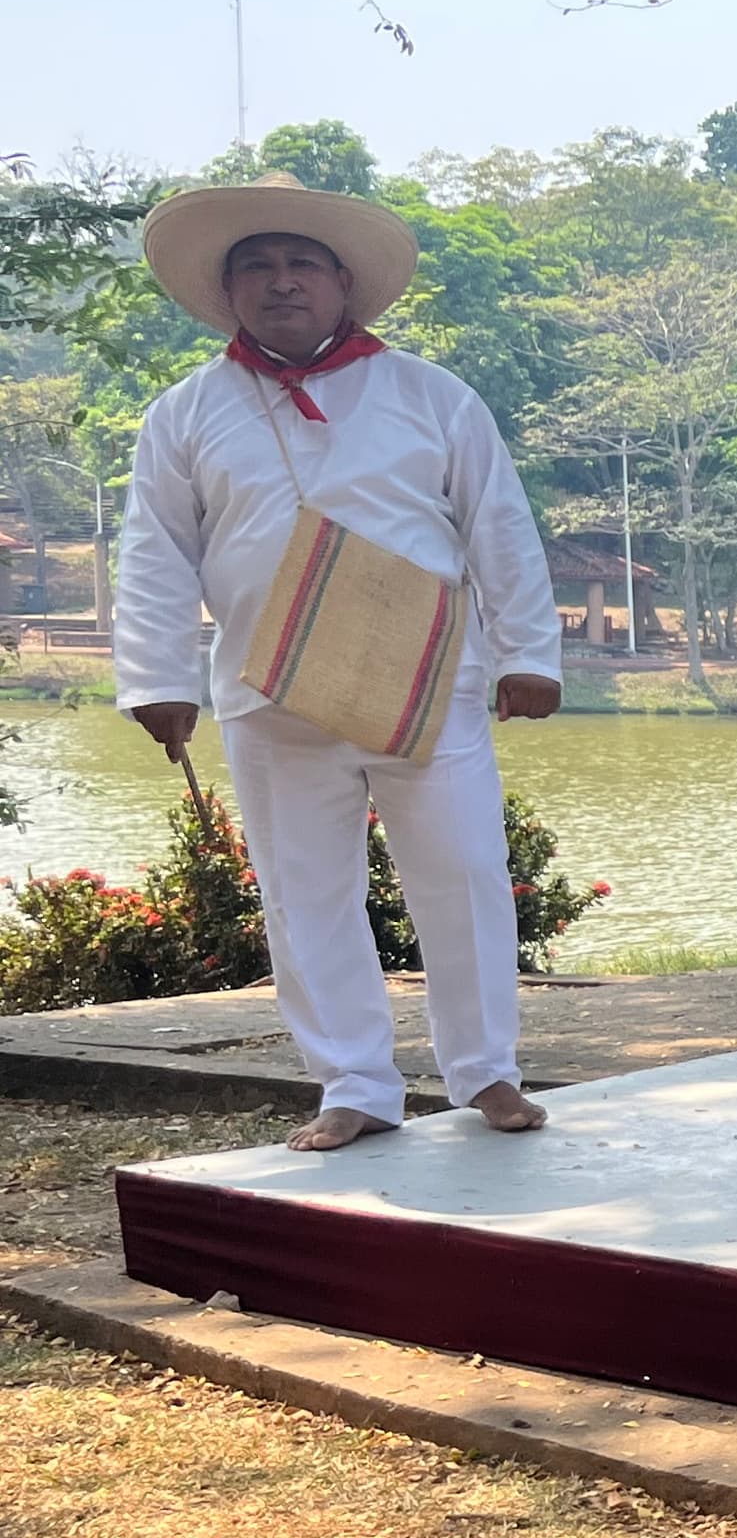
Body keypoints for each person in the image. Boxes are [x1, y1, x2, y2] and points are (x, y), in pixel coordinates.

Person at [113, 173, 562, 1153]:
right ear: (227, 293)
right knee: (305, 890)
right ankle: (354, 1086)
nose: (281, 282)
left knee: (466, 874)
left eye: (302, 263)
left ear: (344, 285)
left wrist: (529, 654)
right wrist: (156, 679)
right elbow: (154, 551)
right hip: (268, 694)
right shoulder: (183, 415)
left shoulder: (432, 397)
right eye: (257, 267)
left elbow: (500, 528)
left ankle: (486, 1074)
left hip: (427, 684)